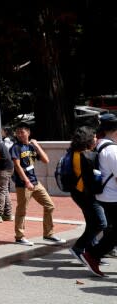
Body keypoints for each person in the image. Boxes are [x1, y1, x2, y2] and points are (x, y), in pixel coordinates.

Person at [10, 123, 65, 246]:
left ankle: (48, 234)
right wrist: (26, 181)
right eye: (17, 132)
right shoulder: (15, 147)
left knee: (50, 205)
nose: (19, 134)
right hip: (23, 184)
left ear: (28, 132)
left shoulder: (31, 147)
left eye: (22, 132)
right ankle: (19, 236)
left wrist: (37, 146)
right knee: (22, 210)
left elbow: (46, 160)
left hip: (35, 182)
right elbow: (17, 166)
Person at [79, 114, 117, 276]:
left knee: (112, 229)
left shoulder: (99, 145)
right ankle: (92, 254)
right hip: (113, 196)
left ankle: (93, 254)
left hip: (104, 195)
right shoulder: (112, 149)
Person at [63, 126, 105, 264]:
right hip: (85, 194)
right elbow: (88, 179)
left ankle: (91, 253)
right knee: (100, 222)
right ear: (87, 139)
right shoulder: (85, 155)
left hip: (79, 193)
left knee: (92, 223)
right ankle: (78, 248)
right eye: (94, 136)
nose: (96, 139)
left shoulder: (74, 152)